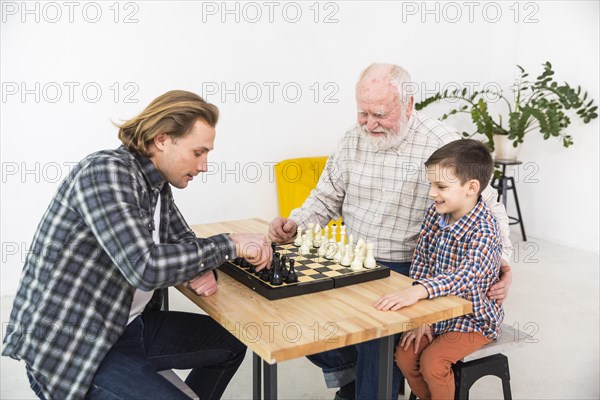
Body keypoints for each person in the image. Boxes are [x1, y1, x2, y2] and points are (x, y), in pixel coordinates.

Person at [2, 90, 272, 400]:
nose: (204, 165)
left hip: (126, 327)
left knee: (232, 343)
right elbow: (145, 267)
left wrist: (202, 263)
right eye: (198, 152)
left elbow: (184, 241)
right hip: (76, 345)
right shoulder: (106, 172)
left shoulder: (156, 185)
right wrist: (230, 244)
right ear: (162, 139)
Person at [268, 63, 513, 400]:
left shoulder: (440, 141)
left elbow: (488, 204)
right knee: (302, 320)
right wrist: (295, 223)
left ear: (408, 104)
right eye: (363, 113)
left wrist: (502, 262)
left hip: (406, 269)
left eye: (380, 114)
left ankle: (373, 385)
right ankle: (363, 380)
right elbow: (325, 197)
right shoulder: (351, 140)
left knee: (373, 333)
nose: (370, 123)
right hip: (353, 261)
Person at [374, 139, 504, 400]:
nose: (432, 193)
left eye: (441, 186)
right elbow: (421, 257)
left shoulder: (486, 230)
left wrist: (419, 292)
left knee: (433, 363)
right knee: (405, 355)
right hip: (436, 313)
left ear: (471, 188)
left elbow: (467, 275)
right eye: (431, 184)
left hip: (473, 320)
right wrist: (422, 316)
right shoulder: (436, 214)